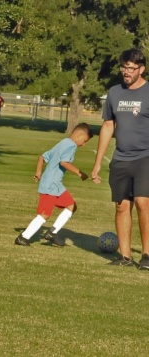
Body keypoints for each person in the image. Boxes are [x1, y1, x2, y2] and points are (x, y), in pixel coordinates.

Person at [91, 48, 149, 269]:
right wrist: (97, 162)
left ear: (141, 69)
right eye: (124, 67)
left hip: (146, 157)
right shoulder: (114, 93)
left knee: (144, 203)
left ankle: (146, 255)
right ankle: (125, 257)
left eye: (131, 68)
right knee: (122, 206)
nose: (126, 72)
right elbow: (107, 126)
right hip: (121, 158)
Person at [15, 123, 93, 247]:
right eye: (84, 141)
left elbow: (42, 157)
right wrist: (79, 173)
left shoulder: (63, 142)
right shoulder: (71, 145)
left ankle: (52, 233)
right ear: (79, 135)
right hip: (50, 185)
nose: (84, 145)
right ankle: (23, 237)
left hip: (56, 185)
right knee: (45, 214)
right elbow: (64, 163)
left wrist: (38, 172)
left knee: (72, 206)